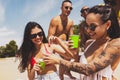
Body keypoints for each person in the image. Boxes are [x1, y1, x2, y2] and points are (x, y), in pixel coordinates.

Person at [43, 5, 120, 80]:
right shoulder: (89, 43)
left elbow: (88, 69)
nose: (88, 30)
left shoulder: (115, 44)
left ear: (108, 24)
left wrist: (58, 60)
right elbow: (80, 64)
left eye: (93, 26)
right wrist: (75, 54)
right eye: (87, 26)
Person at [47, 0, 75, 79]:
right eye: (66, 7)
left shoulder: (71, 22)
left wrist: (73, 44)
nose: (68, 9)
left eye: (70, 8)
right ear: (61, 8)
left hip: (64, 43)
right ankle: (62, 74)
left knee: (73, 53)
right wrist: (61, 43)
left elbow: (71, 36)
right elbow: (50, 37)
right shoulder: (55, 20)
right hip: (54, 44)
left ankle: (65, 72)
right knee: (68, 55)